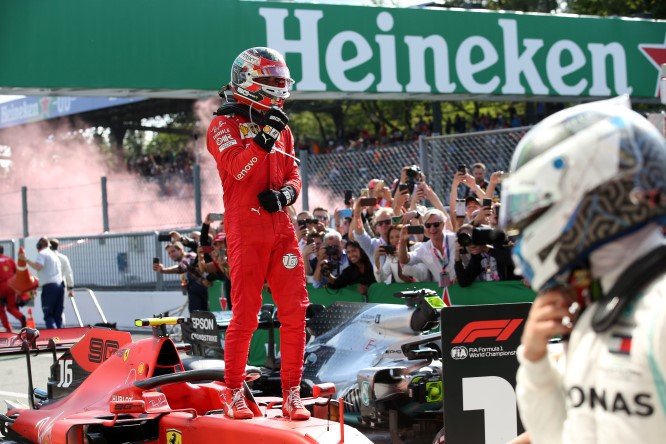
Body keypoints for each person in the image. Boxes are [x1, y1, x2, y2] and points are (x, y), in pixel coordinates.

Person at [500, 96, 666, 443]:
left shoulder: (658, 311)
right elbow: (556, 437)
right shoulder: (594, 313)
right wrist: (534, 361)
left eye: (534, 210)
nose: (523, 234)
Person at [205, 47, 310, 420]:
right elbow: (237, 170)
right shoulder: (223, 125)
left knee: (296, 311)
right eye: (272, 81)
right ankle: (232, 391)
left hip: (281, 226)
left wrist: (286, 194)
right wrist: (263, 139)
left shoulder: (282, 127)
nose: (279, 89)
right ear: (246, 80)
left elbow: (295, 175)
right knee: (246, 314)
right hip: (245, 227)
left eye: (282, 82)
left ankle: (291, 393)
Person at [153, 241, 209, 313]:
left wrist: (164, 270)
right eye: (169, 253)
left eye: (173, 251)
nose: (171, 254)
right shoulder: (183, 260)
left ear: (181, 250)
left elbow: (181, 268)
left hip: (206, 292)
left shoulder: (189, 256)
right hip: (197, 294)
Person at [20, 237, 63, 329]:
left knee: (48, 315)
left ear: (40, 245)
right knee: (57, 316)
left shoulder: (42, 253)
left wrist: (26, 259)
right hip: (60, 287)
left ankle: (54, 338)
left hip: (49, 287)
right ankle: (61, 339)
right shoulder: (54, 254)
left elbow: (38, 266)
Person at [0, 246, 25, 332]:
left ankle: (8, 329)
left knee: (1, 309)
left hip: (1, 287)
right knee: (11, 307)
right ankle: (21, 317)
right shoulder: (9, 259)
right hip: (11, 287)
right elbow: (17, 273)